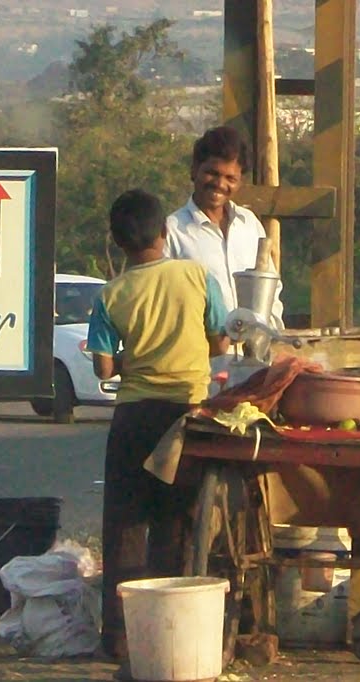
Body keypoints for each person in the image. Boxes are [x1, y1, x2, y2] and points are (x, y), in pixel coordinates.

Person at [86, 188, 230, 659]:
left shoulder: (111, 295)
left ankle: (122, 639)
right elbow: (221, 343)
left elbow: (104, 370)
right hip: (188, 414)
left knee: (126, 523)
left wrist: (135, 359)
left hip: (134, 416)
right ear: (165, 233)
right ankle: (175, 634)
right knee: (177, 520)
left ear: (117, 242)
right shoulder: (196, 275)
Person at [164, 126, 284, 371]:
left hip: (255, 362)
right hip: (200, 367)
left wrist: (267, 338)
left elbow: (272, 288)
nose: (220, 184)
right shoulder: (173, 230)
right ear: (194, 170)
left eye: (231, 178)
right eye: (212, 173)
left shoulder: (249, 224)